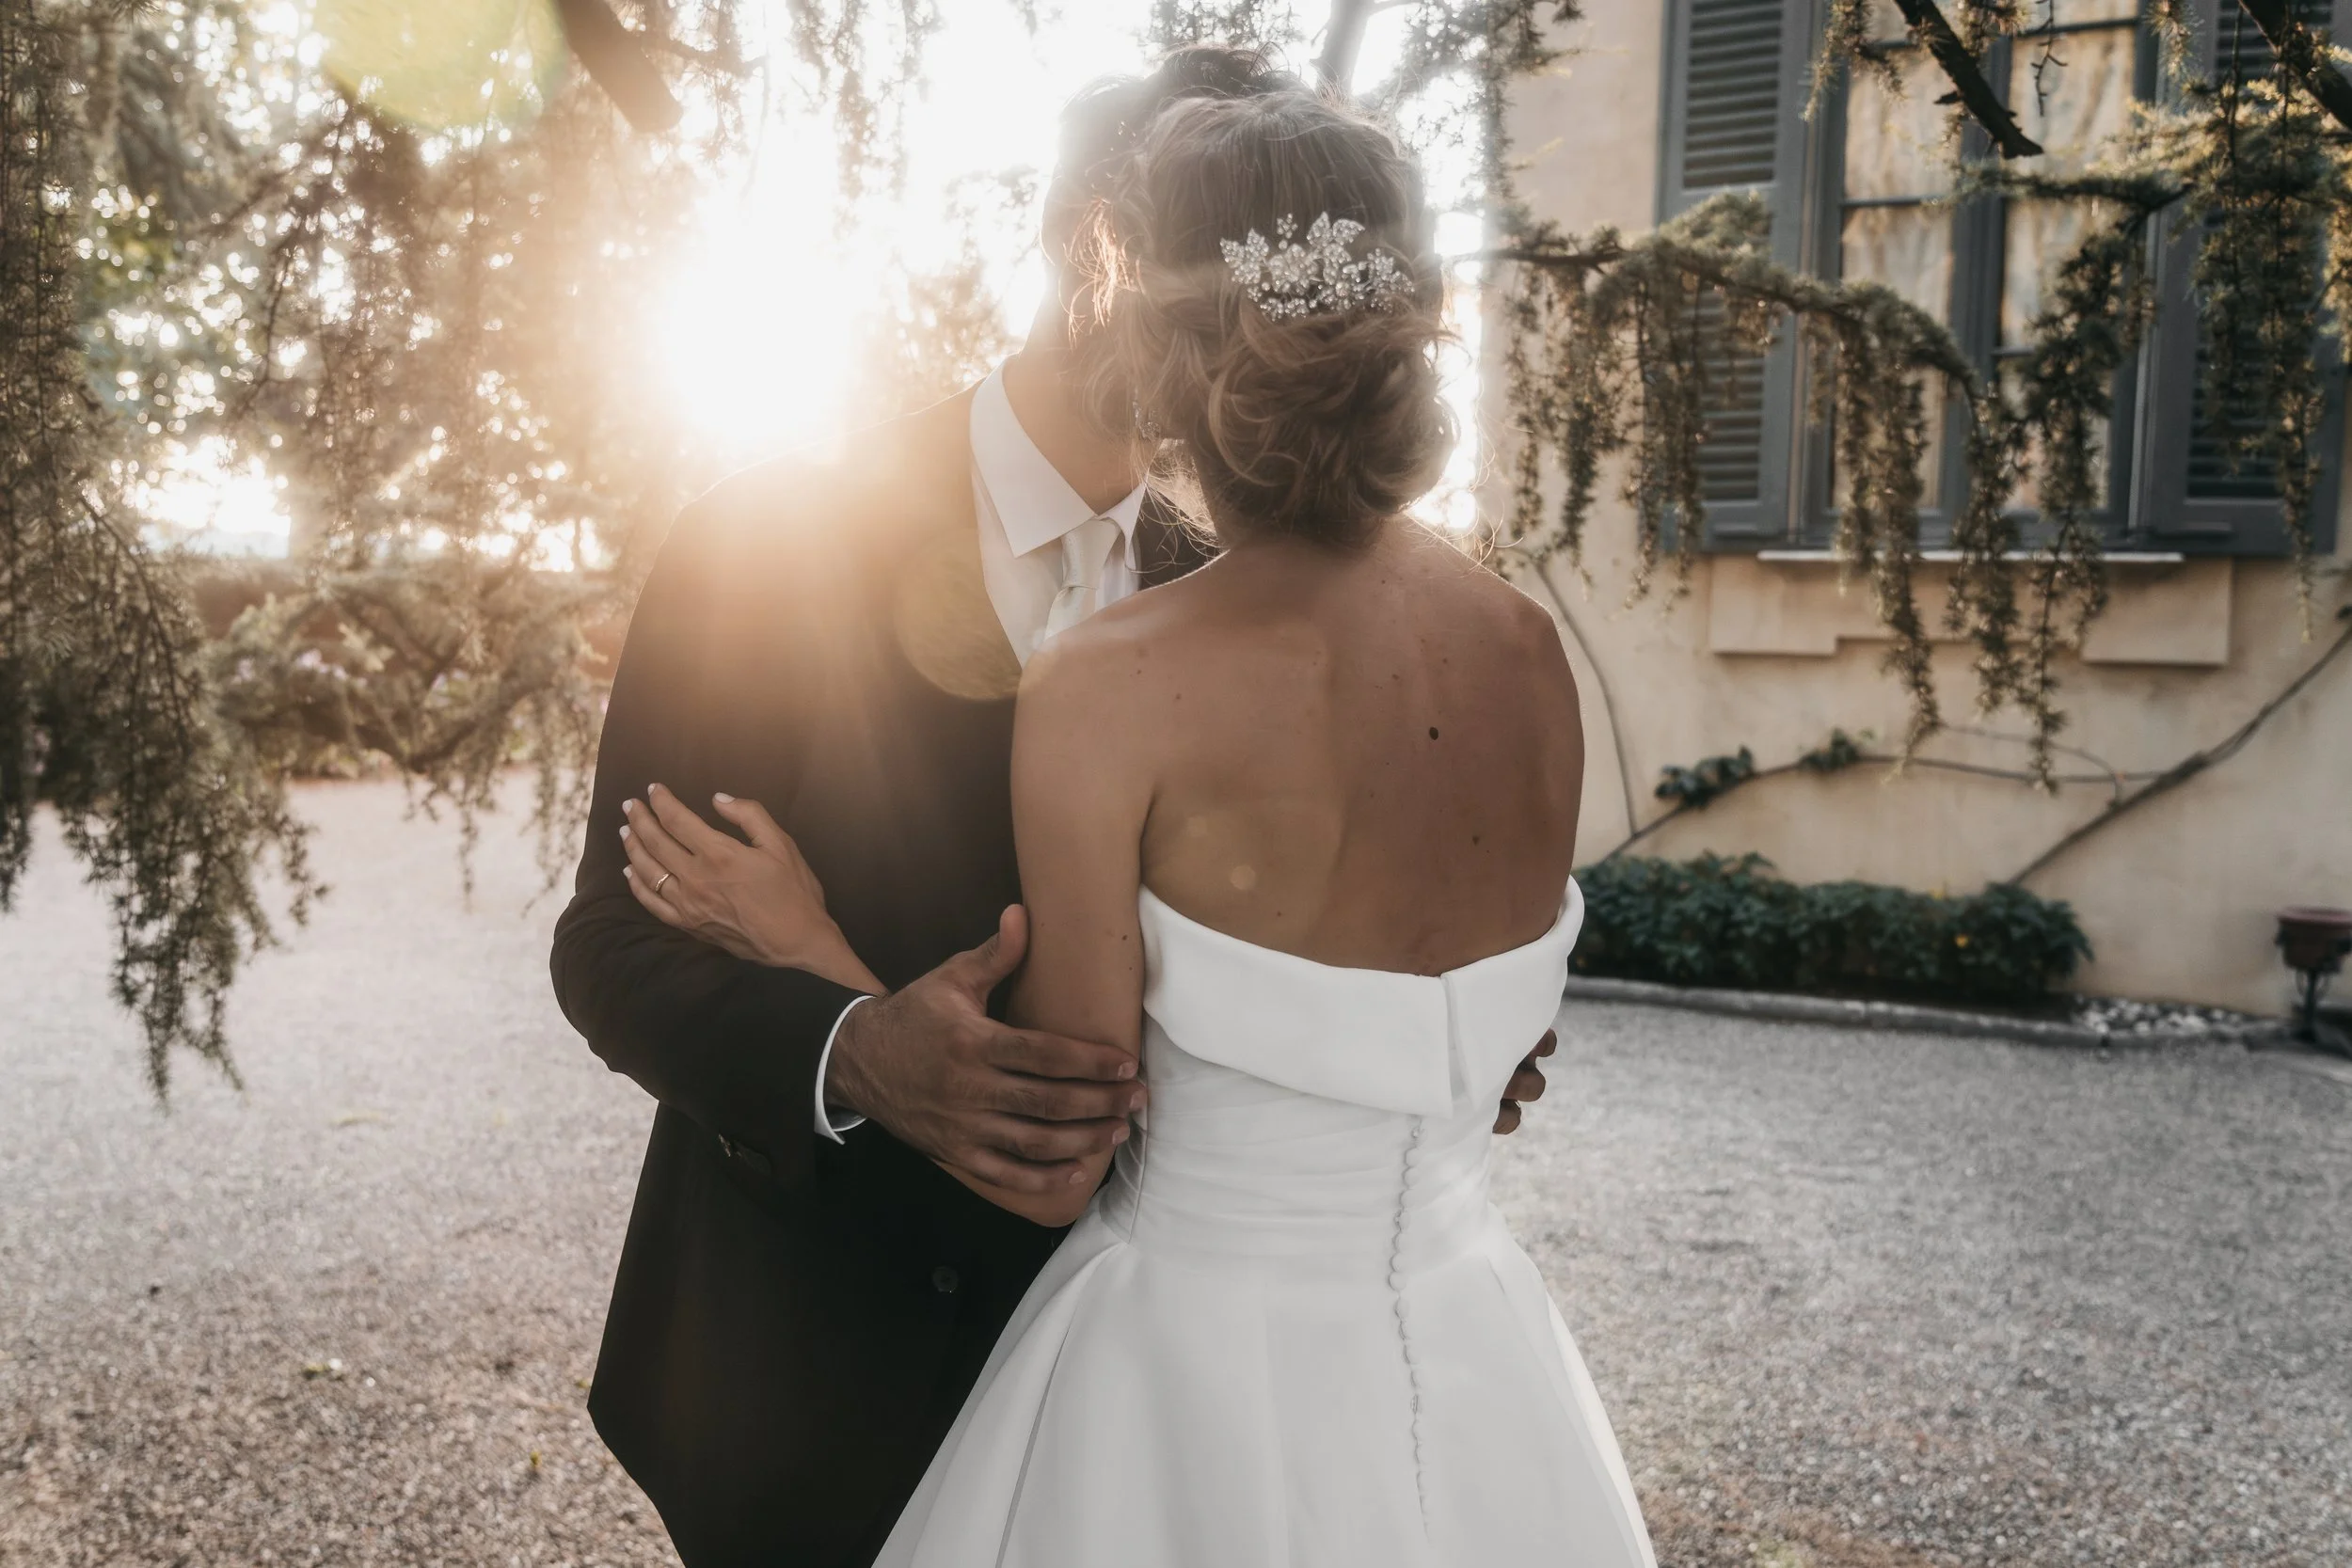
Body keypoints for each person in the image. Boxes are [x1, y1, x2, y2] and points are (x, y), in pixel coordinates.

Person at [548, 46, 1559, 1568]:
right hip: (806, 1376)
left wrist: (1410, 1047)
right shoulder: (766, 538)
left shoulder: (1241, 600)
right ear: (1085, 245)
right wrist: (854, 1048)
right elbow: (609, 943)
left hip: (1138, 1411)